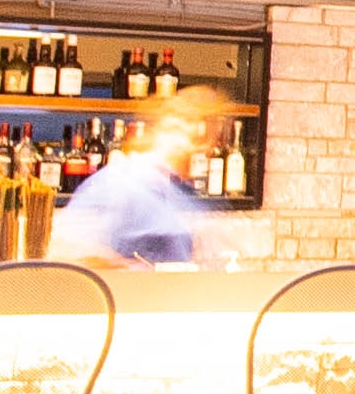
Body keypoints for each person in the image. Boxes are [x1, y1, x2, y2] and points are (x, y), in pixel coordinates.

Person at [54, 88, 227, 270]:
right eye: (204, 140)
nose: (206, 151)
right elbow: (71, 254)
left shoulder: (174, 193)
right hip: (133, 296)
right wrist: (136, 270)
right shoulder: (120, 182)